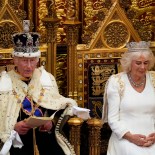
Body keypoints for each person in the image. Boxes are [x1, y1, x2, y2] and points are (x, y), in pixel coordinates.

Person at [0, 20, 90, 155]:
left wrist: (51, 123)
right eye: (24, 60)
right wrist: (13, 128)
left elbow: (57, 106)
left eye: (32, 60)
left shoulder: (46, 78)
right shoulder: (4, 82)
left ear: (37, 60)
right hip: (17, 142)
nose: (29, 66)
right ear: (15, 60)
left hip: (45, 139)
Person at [102, 41, 155, 155]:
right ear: (129, 63)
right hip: (125, 138)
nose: (143, 67)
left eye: (146, 63)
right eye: (138, 63)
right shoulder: (116, 81)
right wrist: (131, 137)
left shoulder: (154, 79)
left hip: (152, 137)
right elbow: (113, 120)